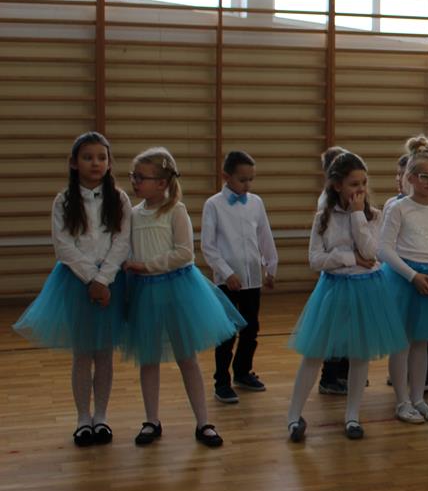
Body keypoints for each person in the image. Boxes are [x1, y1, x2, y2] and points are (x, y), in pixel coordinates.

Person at [13, 132, 131, 447]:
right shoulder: (63, 201)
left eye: (102, 157)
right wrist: (91, 279)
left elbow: (122, 242)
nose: (95, 163)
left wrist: (103, 279)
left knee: (104, 354)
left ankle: (101, 417)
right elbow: (63, 246)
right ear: (74, 163)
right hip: (75, 283)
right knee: (82, 354)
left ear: (109, 163)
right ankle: (82, 419)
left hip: (111, 282)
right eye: (88, 157)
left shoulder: (119, 199)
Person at [123, 147, 244, 448]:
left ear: (162, 182)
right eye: (133, 176)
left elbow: (184, 253)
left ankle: (203, 422)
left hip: (177, 290)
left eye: (141, 177)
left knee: (186, 358)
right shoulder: (133, 214)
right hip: (145, 293)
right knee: (149, 359)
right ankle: (151, 420)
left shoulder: (175, 211)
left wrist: (147, 265)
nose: (135, 182)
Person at [286, 151, 403, 441]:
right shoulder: (323, 218)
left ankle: (352, 416)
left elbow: (371, 252)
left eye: (363, 183)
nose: (360, 190)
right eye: (353, 184)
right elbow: (315, 259)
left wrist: (356, 216)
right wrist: (349, 258)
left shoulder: (373, 216)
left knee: (359, 354)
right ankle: (294, 416)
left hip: (367, 289)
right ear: (337, 185)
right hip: (334, 289)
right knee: (314, 353)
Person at [379, 136, 428, 425]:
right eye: (424, 176)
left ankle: (418, 398)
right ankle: (402, 401)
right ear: (409, 177)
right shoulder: (399, 208)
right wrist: (412, 275)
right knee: (402, 343)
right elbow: (383, 249)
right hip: (403, 280)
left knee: (421, 342)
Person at [202, 150, 278, 405]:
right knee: (226, 332)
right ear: (226, 177)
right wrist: (227, 273)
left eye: (250, 180)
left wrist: (271, 266)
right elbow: (208, 247)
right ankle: (221, 382)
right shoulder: (213, 205)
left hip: (252, 279)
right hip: (228, 282)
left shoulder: (256, 203)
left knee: (251, 328)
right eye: (242, 179)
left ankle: (243, 372)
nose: (247, 185)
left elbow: (265, 235)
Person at [317, 146, 351, 396]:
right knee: (335, 331)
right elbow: (328, 249)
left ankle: (344, 373)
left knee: (348, 329)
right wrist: (349, 257)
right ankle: (329, 376)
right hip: (336, 276)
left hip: (351, 277)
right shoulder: (327, 204)